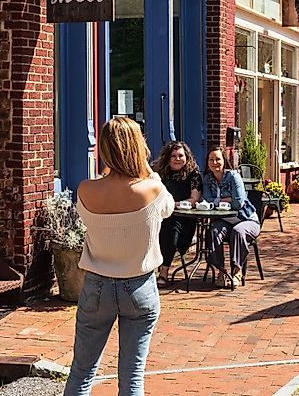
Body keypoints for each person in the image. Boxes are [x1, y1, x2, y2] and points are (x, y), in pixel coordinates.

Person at [64, 117, 174, 396]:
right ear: (138, 148)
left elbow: (85, 215)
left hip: (96, 286)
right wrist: (147, 170)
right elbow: (169, 208)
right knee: (132, 376)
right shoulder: (152, 189)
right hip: (139, 286)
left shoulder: (87, 190)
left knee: (82, 372)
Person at [202, 145, 260, 289]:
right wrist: (226, 199)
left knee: (238, 232)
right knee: (213, 231)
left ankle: (237, 271)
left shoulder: (233, 176)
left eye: (218, 159)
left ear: (224, 160)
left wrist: (218, 201)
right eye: (211, 159)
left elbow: (238, 203)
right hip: (224, 220)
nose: (214, 162)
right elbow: (208, 200)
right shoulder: (207, 179)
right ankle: (221, 272)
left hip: (246, 219)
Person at [151, 141, 202, 287]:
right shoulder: (160, 174)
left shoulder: (194, 175)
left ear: (187, 157)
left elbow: (194, 200)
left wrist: (172, 205)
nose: (177, 159)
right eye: (173, 156)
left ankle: (164, 272)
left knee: (171, 231)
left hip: (183, 218)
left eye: (181, 155)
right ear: (168, 158)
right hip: (160, 215)